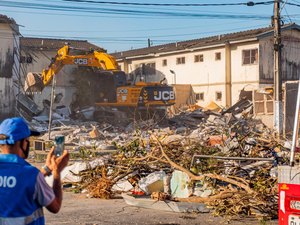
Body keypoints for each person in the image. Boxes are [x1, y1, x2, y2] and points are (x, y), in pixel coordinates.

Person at [0, 117, 69, 225]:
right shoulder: (31, 175)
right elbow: (55, 207)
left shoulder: (31, 176)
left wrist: (47, 169)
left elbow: (18, 182)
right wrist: (56, 172)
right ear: (23, 143)